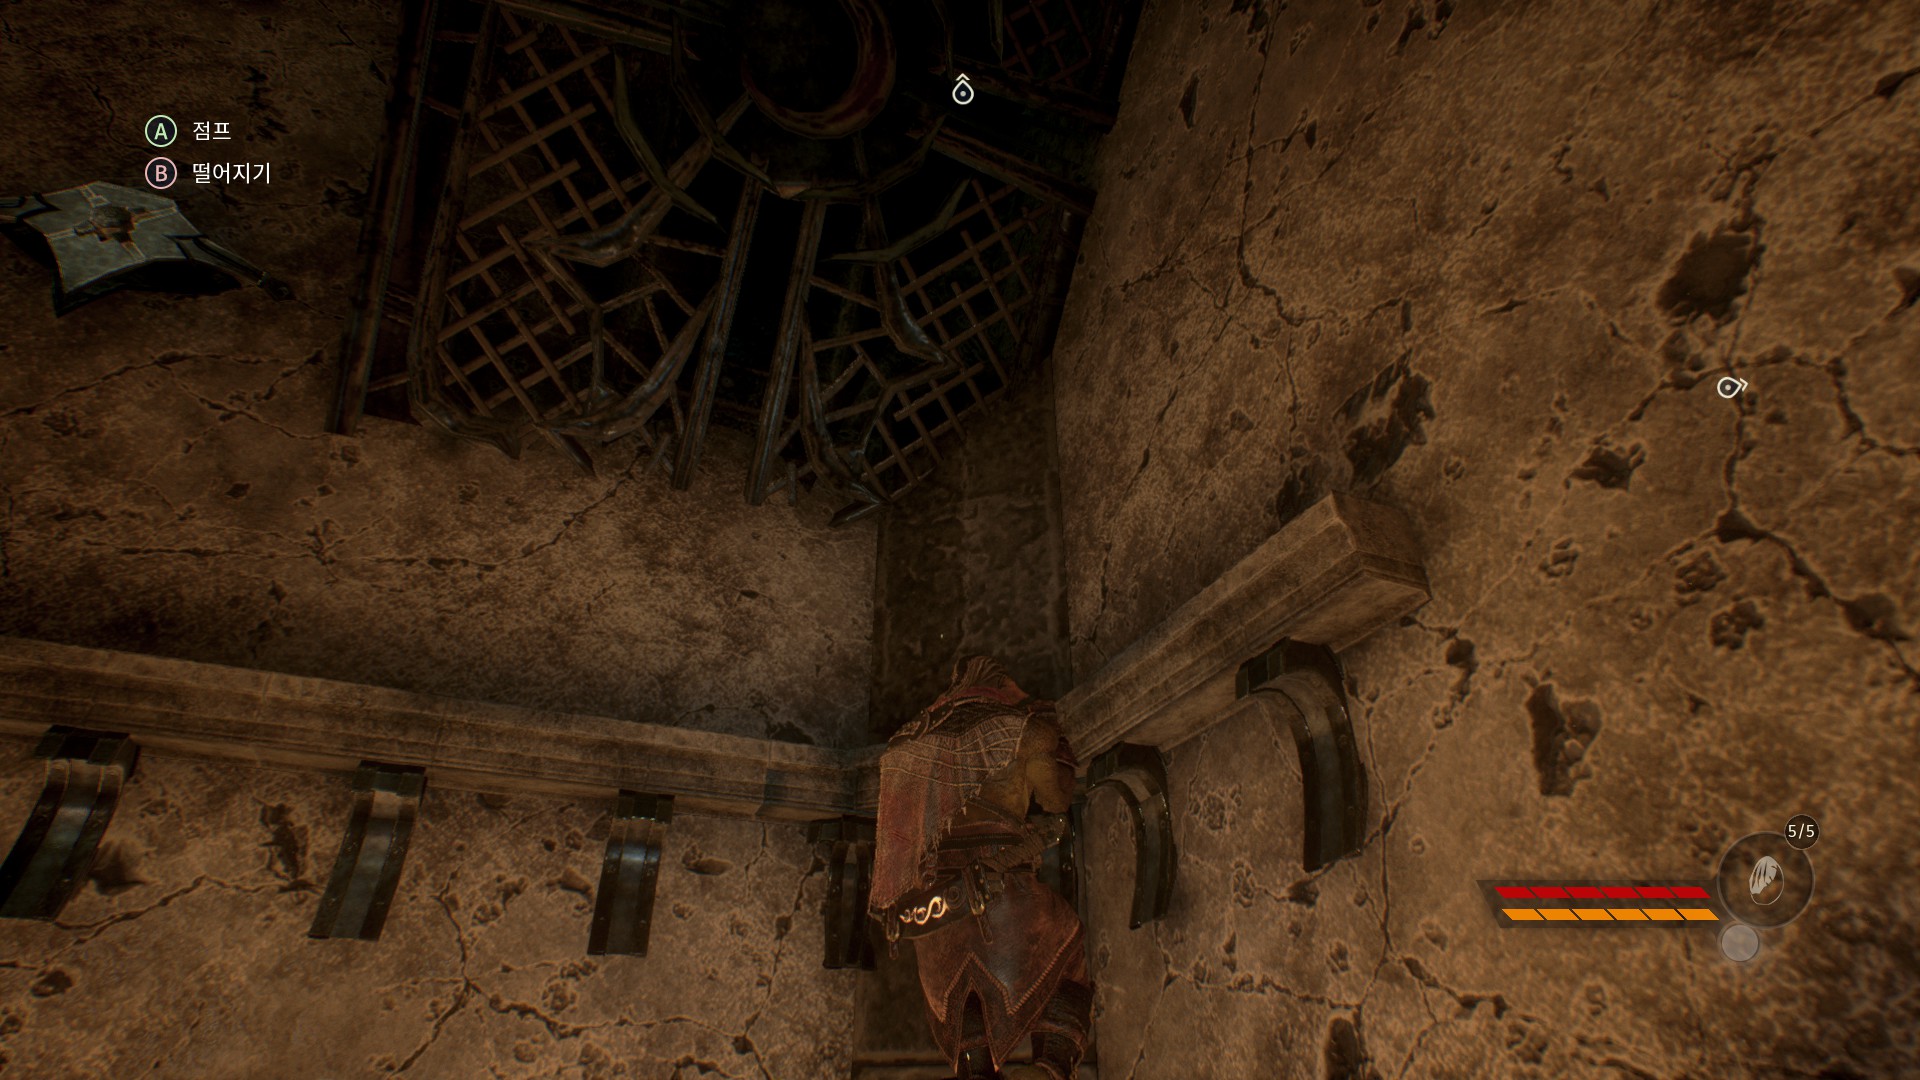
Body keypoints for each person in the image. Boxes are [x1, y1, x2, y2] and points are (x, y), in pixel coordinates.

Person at [870, 657, 1092, 1080]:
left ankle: (974, 1060)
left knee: (962, 1014)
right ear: (1003, 687)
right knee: (1071, 950)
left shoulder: (907, 743)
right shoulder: (1026, 729)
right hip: (999, 896)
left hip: (930, 919)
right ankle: (1053, 1063)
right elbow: (1057, 800)